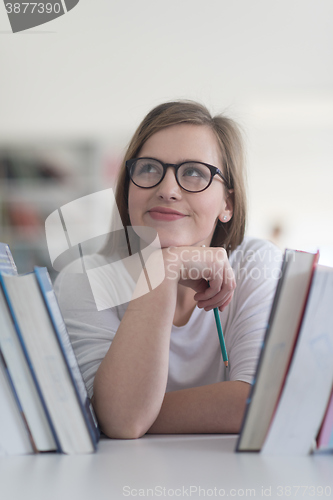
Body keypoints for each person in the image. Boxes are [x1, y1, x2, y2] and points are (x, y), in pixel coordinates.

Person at [54, 100, 282, 439]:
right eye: (148, 168)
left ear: (227, 204)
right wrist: (162, 268)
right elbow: (123, 422)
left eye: (193, 172)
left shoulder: (254, 263)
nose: (167, 189)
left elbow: (258, 403)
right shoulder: (83, 280)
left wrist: (119, 411)